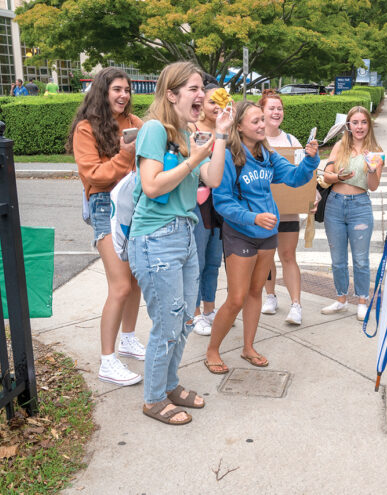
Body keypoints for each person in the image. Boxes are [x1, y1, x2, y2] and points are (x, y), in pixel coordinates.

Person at [128, 61, 232, 425]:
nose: (201, 94)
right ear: (171, 94)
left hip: (186, 235)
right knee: (168, 323)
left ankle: (169, 384)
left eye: (202, 87)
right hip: (155, 237)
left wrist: (219, 135)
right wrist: (193, 159)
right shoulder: (154, 130)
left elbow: (214, 178)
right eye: (192, 88)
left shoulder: (188, 132)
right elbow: (153, 185)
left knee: (185, 319)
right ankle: (154, 398)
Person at [204, 100, 319, 374]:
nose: (262, 125)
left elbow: (293, 178)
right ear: (239, 125)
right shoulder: (231, 155)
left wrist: (311, 159)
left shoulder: (268, 153)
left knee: (256, 292)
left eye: (262, 120)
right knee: (236, 297)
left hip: (267, 234)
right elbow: (222, 202)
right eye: (255, 121)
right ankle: (212, 350)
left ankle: (248, 347)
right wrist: (252, 217)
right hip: (241, 234)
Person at [66, 67, 145, 387]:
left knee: (136, 279)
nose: (123, 95)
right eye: (117, 89)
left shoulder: (135, 123)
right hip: (104, 206)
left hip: (137, 203)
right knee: (120, 286)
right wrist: (126, 155)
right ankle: (108, 360)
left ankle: (128, 338)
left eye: (126, 89)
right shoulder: (86, 129)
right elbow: (94, 175)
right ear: (103, 91)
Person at [321, 106, 384, 320]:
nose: (359, 127)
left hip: (360, 206)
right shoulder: (340, 146)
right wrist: (338, 176)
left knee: (361, 259)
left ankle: (362, 301)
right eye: (355, 122)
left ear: (369, 125)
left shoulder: (375, 151)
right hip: (335, 205)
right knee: (337, 259)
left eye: (363, 122)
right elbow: (326, 176)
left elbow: (373, 186)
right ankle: (341, 299)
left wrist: (373, 169)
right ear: (348, 125)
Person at [258, 89, 305, 325]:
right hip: (263, 212)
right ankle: (270, 296)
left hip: (287, 212)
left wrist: (312, 196)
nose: (276, 112)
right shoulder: (255, 140)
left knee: (288, 255)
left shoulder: (290, 141)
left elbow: (303, 175)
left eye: (279, 108)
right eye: (271, 108)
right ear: (262, 111)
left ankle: (296, 304)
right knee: (265, 257)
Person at [190, 81, 225, 336]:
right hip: (197, 202)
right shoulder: (193, 130)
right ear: (201, 103)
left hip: (221, 203)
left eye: (222, 102)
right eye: (213, 102)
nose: (217, 107)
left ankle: (210, 308)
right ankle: (193, 313)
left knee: (214, 260)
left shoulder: (228, 130)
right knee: (197, 260)